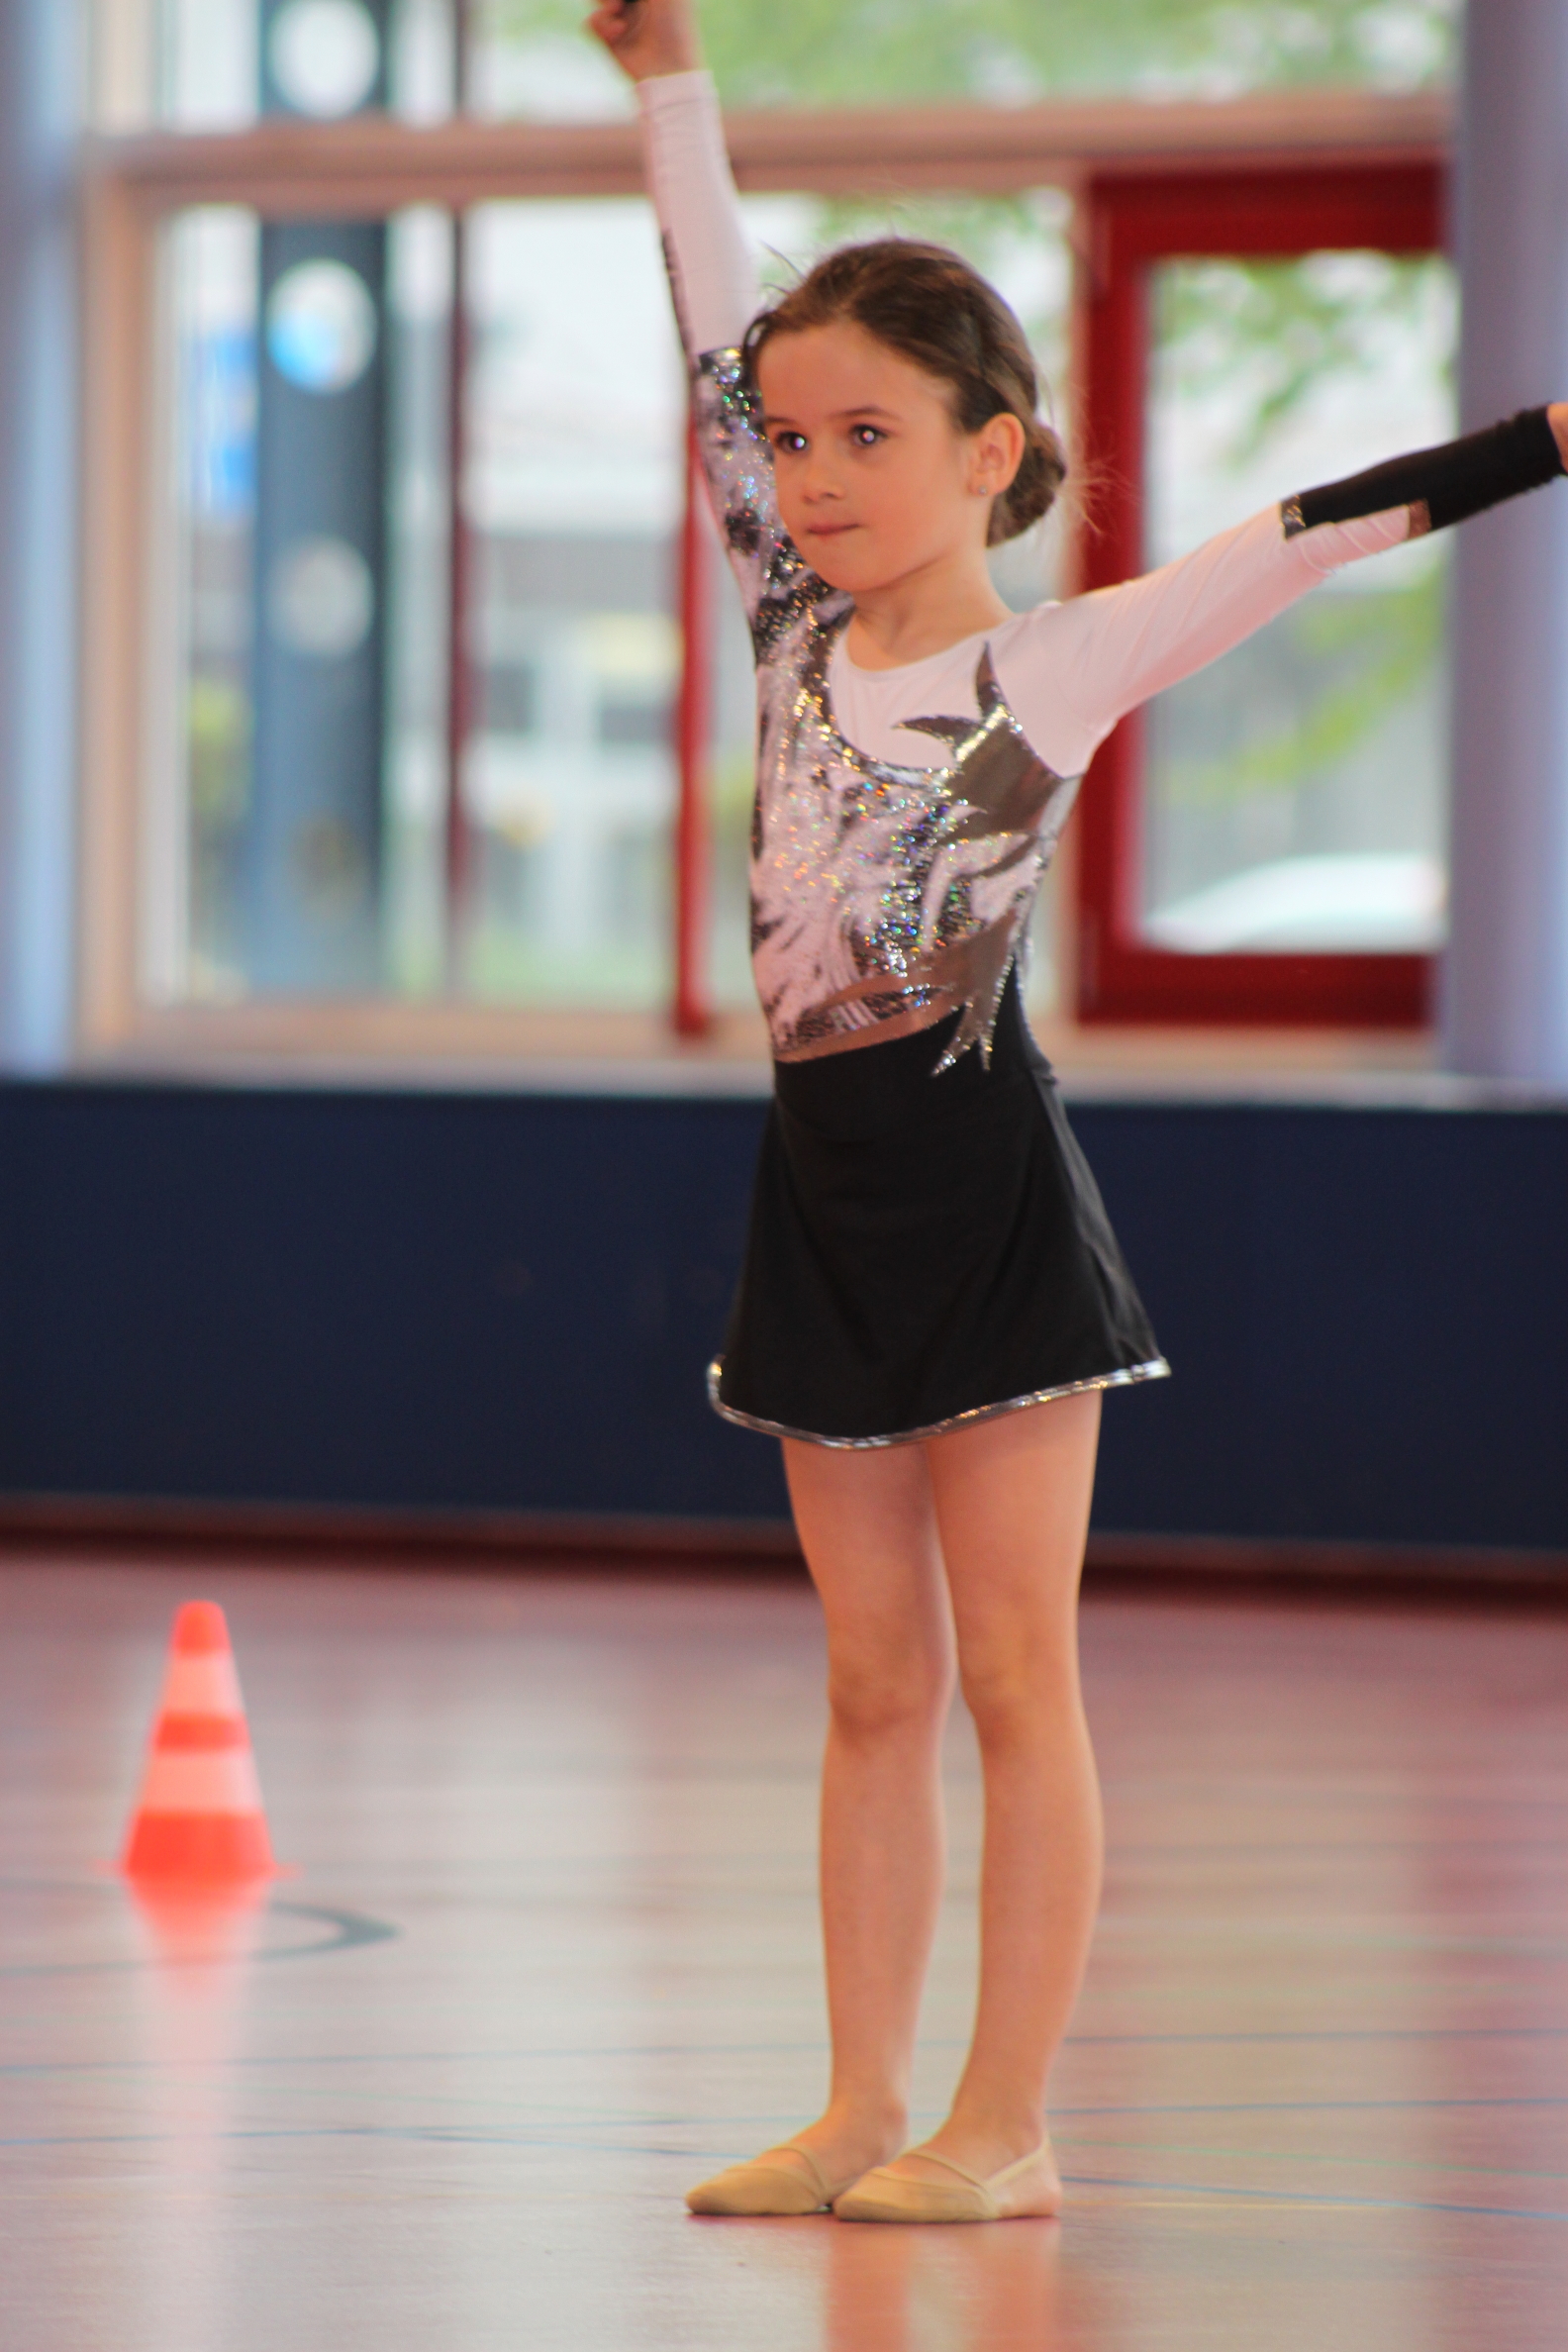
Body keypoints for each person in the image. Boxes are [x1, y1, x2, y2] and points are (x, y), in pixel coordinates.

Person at [589, 0, 1568, 2226]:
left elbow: (1318, 530)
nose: (810, 475)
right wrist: (672, 82)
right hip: (820, 1196)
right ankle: (860, 2103)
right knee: (871, 1680)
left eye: (867, 434)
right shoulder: (787, 624)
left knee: (1018, 1674)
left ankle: (1004, 2122)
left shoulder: (1057, 664)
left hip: (986, 1201)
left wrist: (1548, 436)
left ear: (993, 451)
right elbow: (708, 310)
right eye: (791, 439)